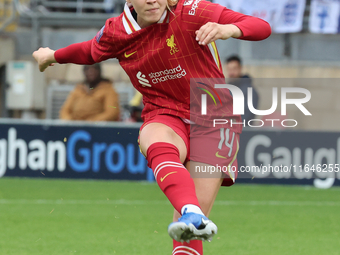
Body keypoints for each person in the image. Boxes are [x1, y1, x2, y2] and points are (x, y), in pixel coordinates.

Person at [32, 0, 271, 253]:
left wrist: (228, 30)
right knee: (155, 140)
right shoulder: (118, 31)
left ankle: (190, 214)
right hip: (164, 110)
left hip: (213, 118)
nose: (151, 0)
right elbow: (89, 51)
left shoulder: (191, 11)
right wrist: (51, 55)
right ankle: (191, 211)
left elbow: (261, 27)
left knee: (186, 234)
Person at [226, 55, 259, 124]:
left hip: (242, 131)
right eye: (229, 69)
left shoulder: (249, 91)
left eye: (234, 69)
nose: (231, 73)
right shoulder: (227, 89)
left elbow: (247, 116)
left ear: (240, 69)